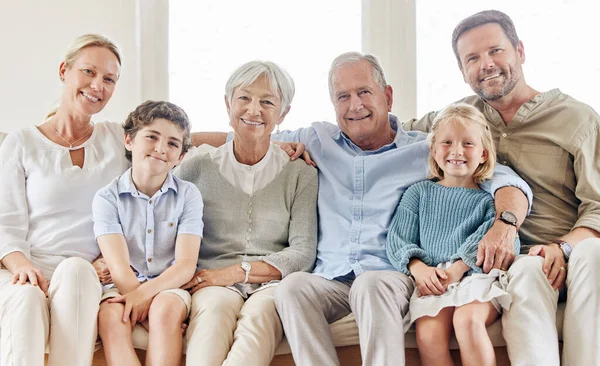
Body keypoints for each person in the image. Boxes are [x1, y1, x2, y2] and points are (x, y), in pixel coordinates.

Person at [255, 52, 530, 365]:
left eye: (364, 92)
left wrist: (505, 224)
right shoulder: (317, 139)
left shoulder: (427, 147)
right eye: (343, 96)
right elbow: (239, 140)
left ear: (387, 96)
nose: (354, 105)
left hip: (389, 275)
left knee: (370, 284)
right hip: (329, 276)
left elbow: (504, 180)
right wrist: (193, 141)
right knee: (291, 287)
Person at [403, 10, 600, 366]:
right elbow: (389, 133)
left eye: (496, 51)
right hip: (504, 266)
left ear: (520, 51)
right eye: (473, 58)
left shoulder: (577, 119)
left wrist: (563, 248)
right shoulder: (459, 119)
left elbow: (598, 206)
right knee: (526, 270)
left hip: (566, 252)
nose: (487, 65)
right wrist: (293, 144)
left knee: (594, 255)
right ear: (462, 71)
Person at [174, 60, 318, 366]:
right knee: (212, 313)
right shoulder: (195, 168)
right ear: (228, 104)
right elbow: (163, 229)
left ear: (283, 113)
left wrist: (235, 273)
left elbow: (303, 251)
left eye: (267, 101)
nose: (254, 110)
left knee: (262, 315)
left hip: (270, 284)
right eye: (244, 98)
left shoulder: (300, 172)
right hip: (211, 283)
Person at [0, 34, 127, 366]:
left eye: (109, 79)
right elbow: (6, 224)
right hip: (30, 270)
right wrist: (22, 267)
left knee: (76, 271)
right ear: (64, 71)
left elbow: (178, 136)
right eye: (88, 72)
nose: (97, 85)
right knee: (25, 300)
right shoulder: (21, 143)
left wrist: (274, 141)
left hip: (88, 273)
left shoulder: (117, 138)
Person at [387, 103, 518, 366]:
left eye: (468, 144)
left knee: (467, 321)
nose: (457, 151)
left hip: (477, 276)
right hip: (433, 278)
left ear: (483, 154)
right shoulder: (419, 194)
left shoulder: (489, 199)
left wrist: (458, 269)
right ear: (434, 150)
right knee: (428, 334)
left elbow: (499, 238)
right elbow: (398, 238)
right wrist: (418, 268)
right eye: (447, 142)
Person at [92, 101, 203, 366]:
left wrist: (146, 298)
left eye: (173, 144)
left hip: (169, 286)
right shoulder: (106, 198)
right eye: (151, 137)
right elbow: (119, 269)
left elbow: (185, 265)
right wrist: (139, 305)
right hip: (122, 285)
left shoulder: (189, 195)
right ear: (129, 140)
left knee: (163, 311)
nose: (161, 148)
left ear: (181, 157)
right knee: (110, 316)